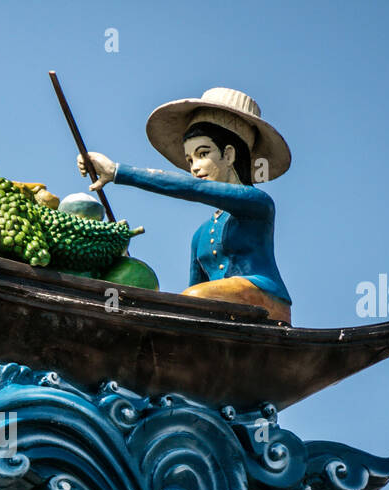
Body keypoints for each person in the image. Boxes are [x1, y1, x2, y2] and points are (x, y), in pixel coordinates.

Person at [77, 87, 293, 325]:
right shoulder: (200, 235)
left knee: (194, 298)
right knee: (182, 303)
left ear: (229, 155)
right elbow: (190, 299)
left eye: (203, 154)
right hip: (218, 309)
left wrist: (118, 172)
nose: (194, 168)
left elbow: (191, 188)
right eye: (190, 160)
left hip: (265, 300)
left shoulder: (258, 203)